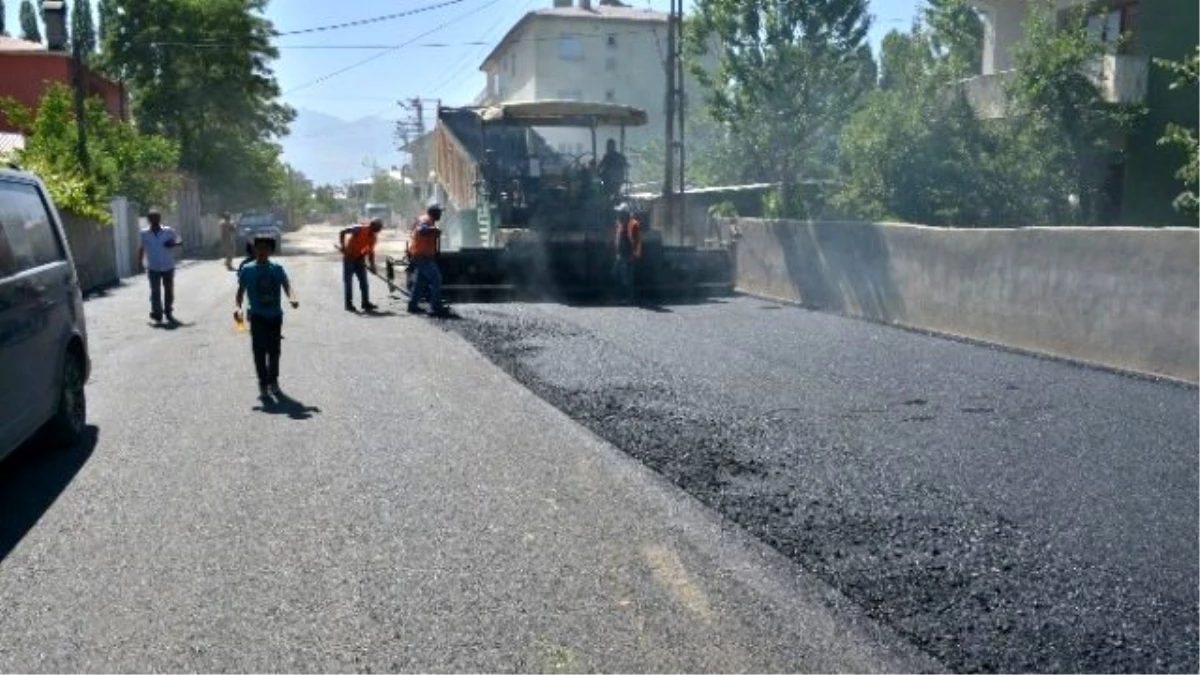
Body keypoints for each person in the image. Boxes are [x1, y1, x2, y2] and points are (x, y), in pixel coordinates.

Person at [235, 235, 298, 398]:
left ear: (271, 251)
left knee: (274, 351)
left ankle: (273, 380)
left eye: (265, 248)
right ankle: (263, 383)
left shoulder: (276, 269)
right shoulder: (247, 269)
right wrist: (238, 308)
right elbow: (240, 292)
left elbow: (287, 284)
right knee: (259, 351)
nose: (262, 251)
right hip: (256, 316)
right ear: (254, 250)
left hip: (275, 316)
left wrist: (292, 297)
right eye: (259, 248)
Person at [136, 209, 182, 323]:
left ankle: (168, 311)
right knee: (155, 291)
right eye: (152, 218)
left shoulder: (168, 231)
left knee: (168, 290)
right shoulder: (144, 233)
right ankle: (157, 313)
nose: (155, 220)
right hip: (153, 267)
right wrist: (139, 263)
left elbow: (180, 241)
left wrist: (173, 244)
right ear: (149, 220)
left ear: (160, 219)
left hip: (168, 265)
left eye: (156, 218)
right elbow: (141, 248)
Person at [406, 203, 450, 317]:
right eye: (439, 212)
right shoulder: (426, 220)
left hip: (422, 256)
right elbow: (422, 230)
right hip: (422, 257)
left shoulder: (428, 220)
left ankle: (412, 305)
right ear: (434, 213)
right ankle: (436, 307)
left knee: (420, 283)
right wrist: (434, 229)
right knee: (436, 279)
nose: (440, 214)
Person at [337, 218, 383, 313]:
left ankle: (365, 303)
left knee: (364, 282)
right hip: (349, 258)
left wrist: (372, 266)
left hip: (359, 259)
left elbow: (371, 253)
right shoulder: (359, 229)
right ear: (372, 225)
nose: (379, 230)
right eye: (378, 227)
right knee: (348, 282)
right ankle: (348, 304)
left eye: (380, 228)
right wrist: (343, 247)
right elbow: (342, 232)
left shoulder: (373, 238)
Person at [613, 203, 642, 303]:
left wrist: (633, 255)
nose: (618, 215)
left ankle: (629, 298)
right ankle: (623, 297)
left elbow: (637, 240)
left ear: (625, 214)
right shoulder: (621, 223)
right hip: (621, 255)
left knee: (627, 278)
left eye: (620, 213)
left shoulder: (632, 224)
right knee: (617, 275)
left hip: (628, 255)